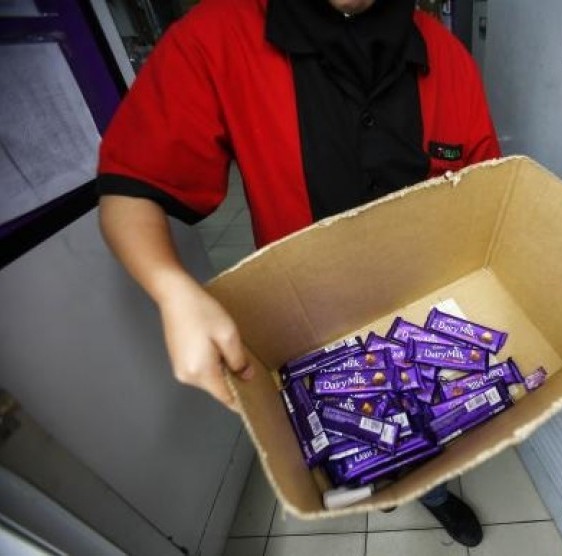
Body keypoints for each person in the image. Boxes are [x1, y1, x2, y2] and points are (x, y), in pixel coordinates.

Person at [97, 0, 500, 547]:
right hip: (308, 324)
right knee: (351, 439)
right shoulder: (216, 36)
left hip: (420, 316)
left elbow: (484, 194)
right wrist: (171, 289)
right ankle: (377, 483)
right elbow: (129, 183)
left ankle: (431, 492)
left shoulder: (449, 60)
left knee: (428, 434)